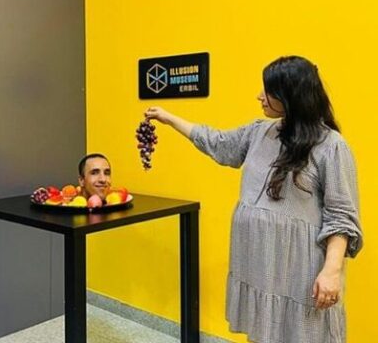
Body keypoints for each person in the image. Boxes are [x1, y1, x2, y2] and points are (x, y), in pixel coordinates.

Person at [145, 55, 363, 343]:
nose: (260, 96)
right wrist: (170, 119)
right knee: (264, 335)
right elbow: (217, 143)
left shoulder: (331, 146)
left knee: (305, 334)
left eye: (268, 91)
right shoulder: (259, 132)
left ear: (291, 96)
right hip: (259, 264)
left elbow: (342, 216)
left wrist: (332, 271)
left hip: (300, 270)